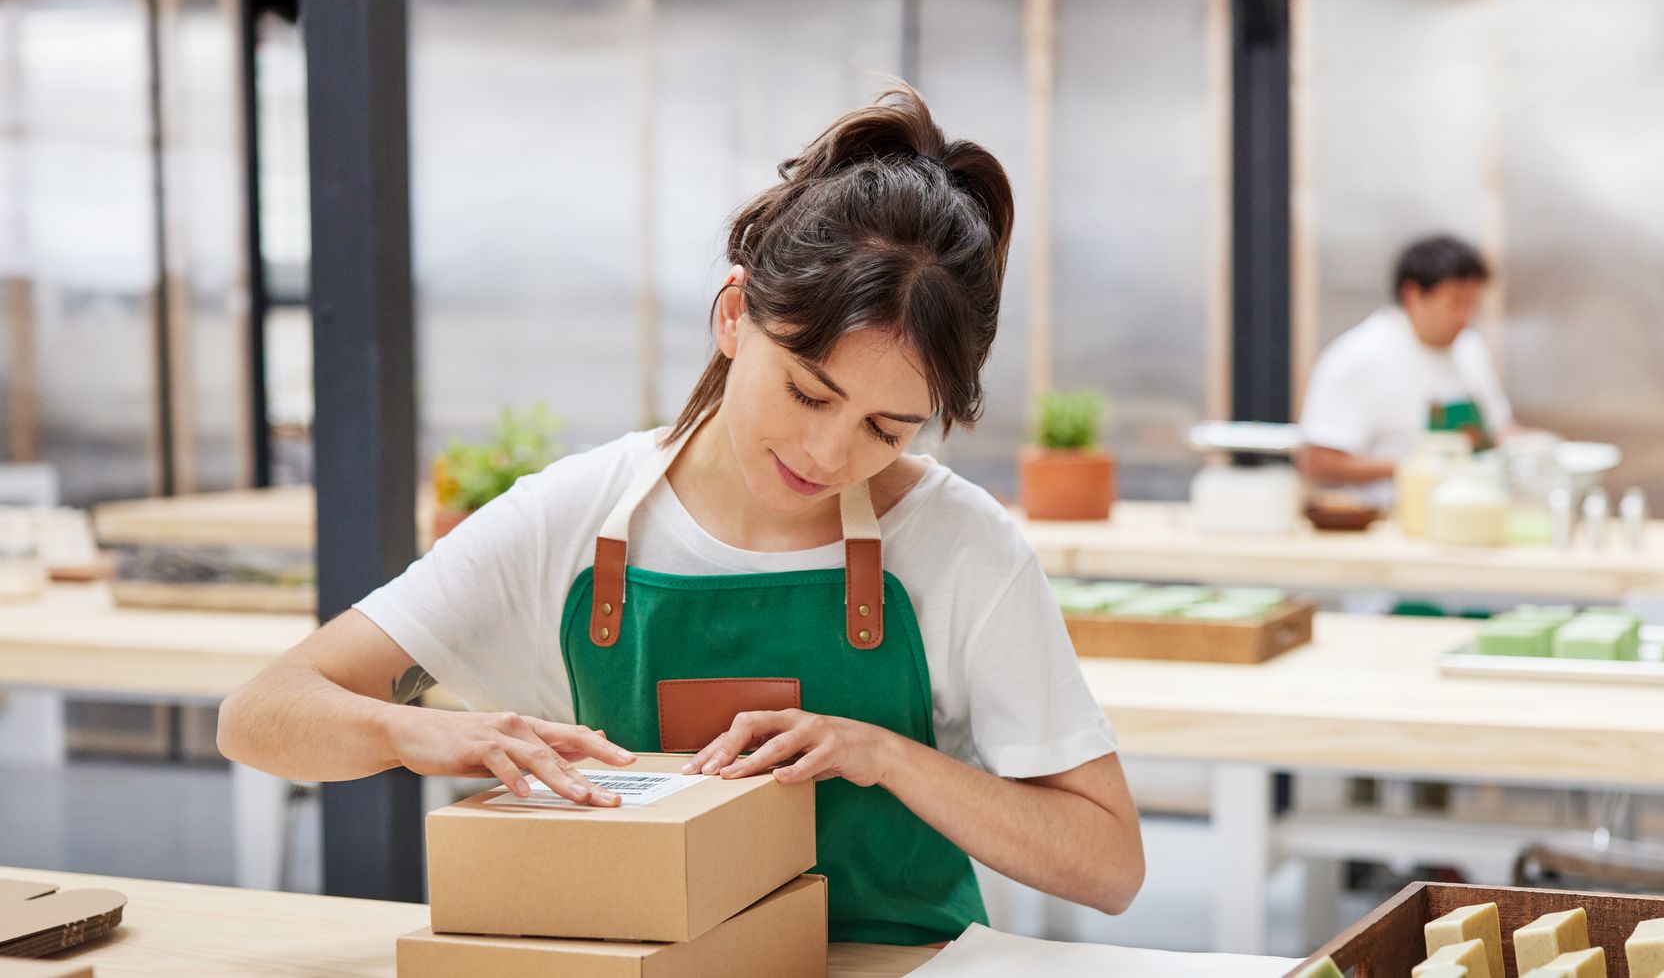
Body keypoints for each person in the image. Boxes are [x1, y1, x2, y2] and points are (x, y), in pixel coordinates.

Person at [219, 86, 1144, 945]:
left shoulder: (958, 544)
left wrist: (887, 756)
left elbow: (1107, 866)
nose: (827, 456)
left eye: (886, 428)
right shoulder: (568, 516)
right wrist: (419, 731)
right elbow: (259, 714)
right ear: (736, 315)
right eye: (808, 393)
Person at [1297, 234, 1519, 498]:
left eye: (1473, 303)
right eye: (1456, 302)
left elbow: (1499, 429)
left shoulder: (1470, 348)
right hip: (1386, 524)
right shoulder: (1359, 357)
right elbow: (1318, 462)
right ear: (1413, 295)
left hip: (1474, 509)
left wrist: (1535, 448)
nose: (1465, 317)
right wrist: (1414, 467)